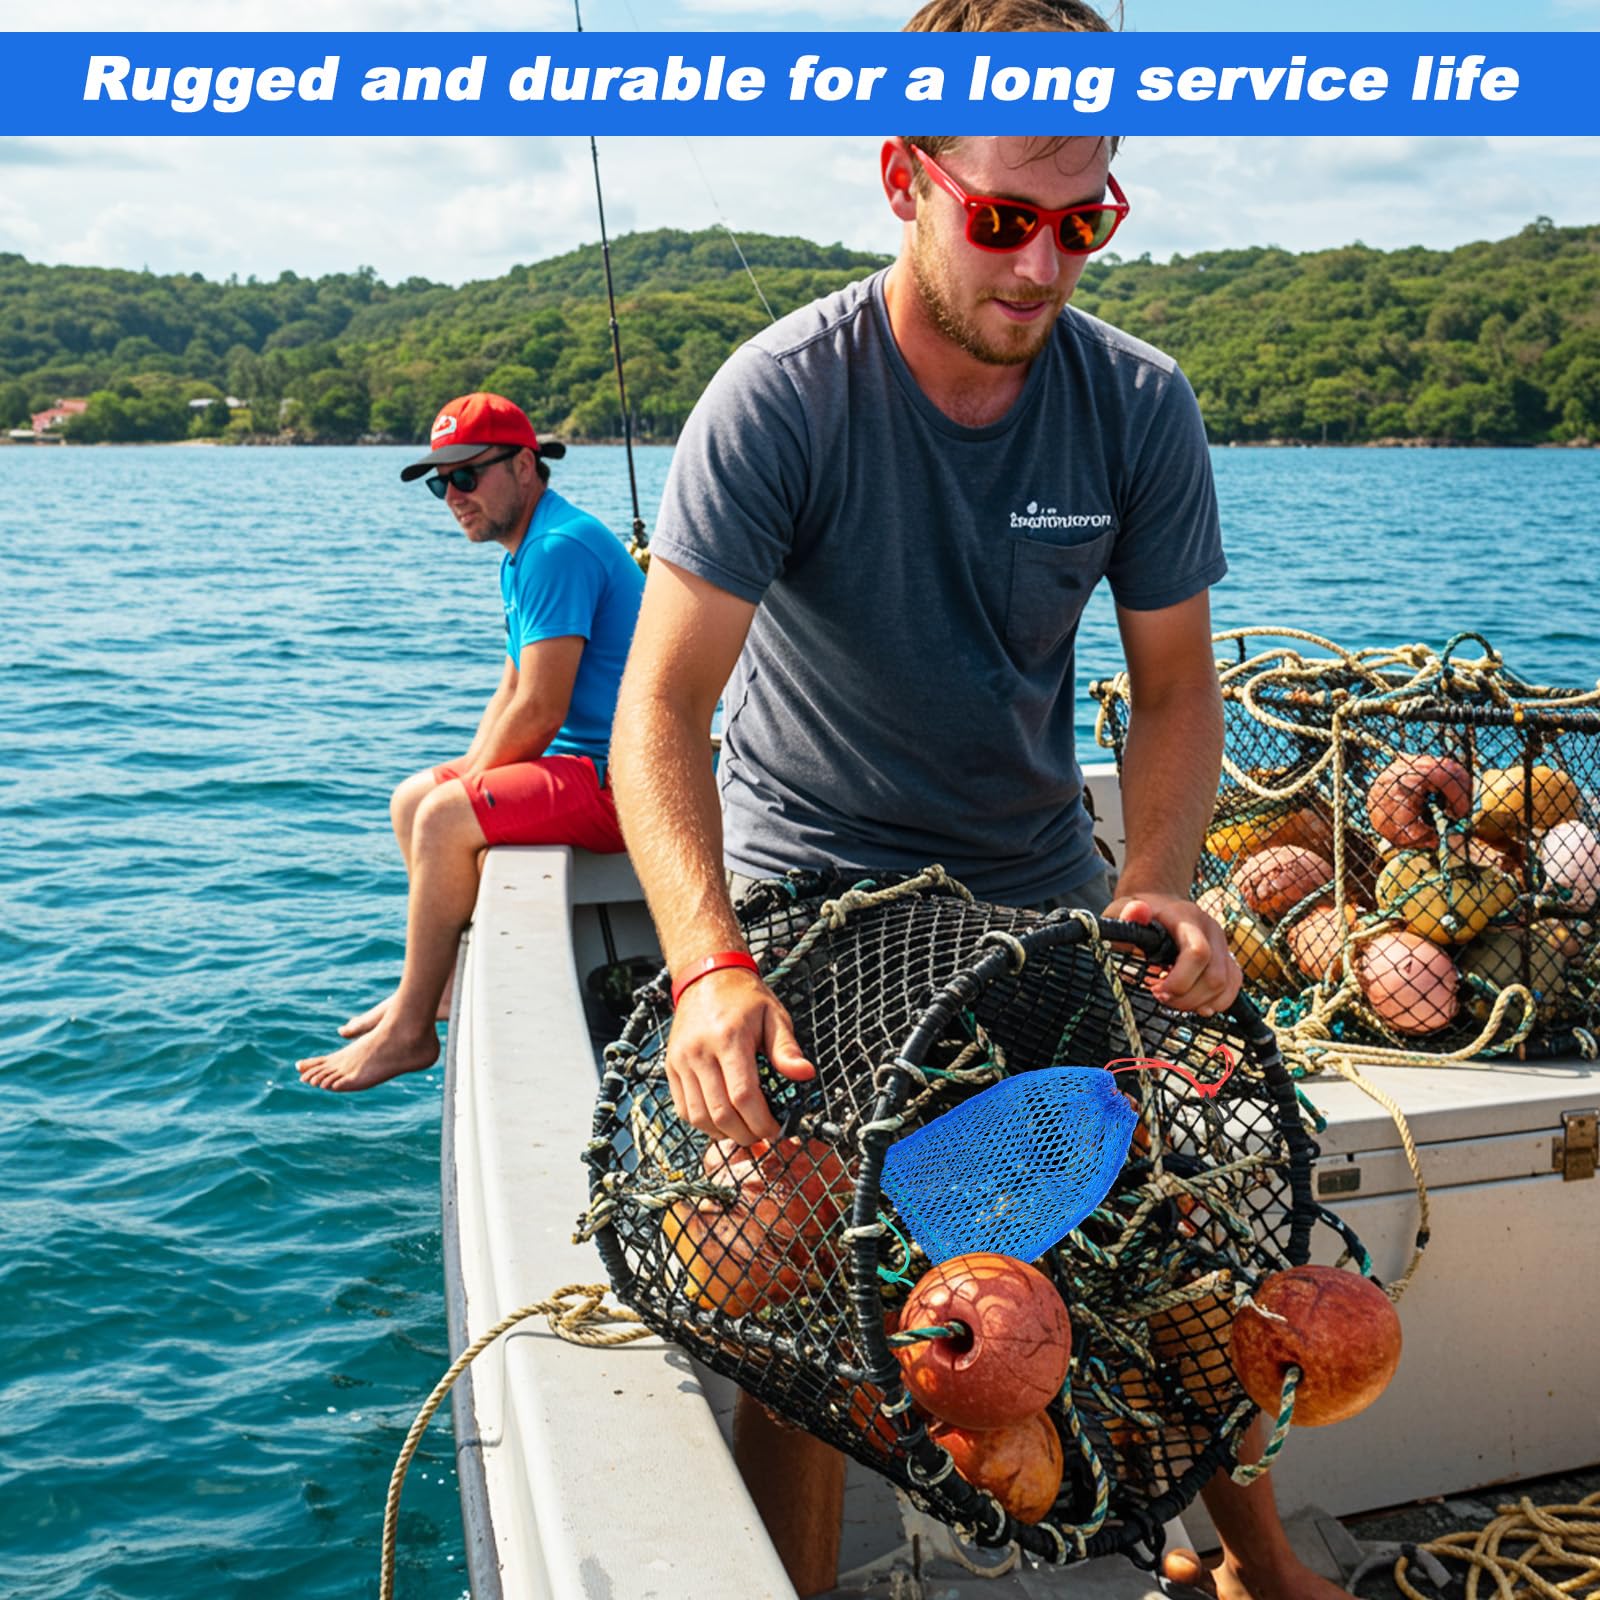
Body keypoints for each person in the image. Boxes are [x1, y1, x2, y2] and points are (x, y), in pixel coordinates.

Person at [609, 4, 1354, 1596]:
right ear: (904, 174)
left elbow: (1172, 691)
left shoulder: (1137, 405)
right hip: (821, 888)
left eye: (1087, 222)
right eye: (1005, 218)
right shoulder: (781, 398)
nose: (1044, 266)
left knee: (1164, 1224)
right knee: (805, 1263)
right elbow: (660, 711)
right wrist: (708, 966)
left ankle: (1258, 1567)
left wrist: (1161, 879)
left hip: (1033, 888)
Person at [298, 392, 643, 1093]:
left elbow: (542, 711)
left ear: (524, 465)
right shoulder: (523, 552)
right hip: (578, 763)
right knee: (412, 800)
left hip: (626, 781)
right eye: (439, 483)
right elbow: (511, 692)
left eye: (466, 476)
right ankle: (443, 985)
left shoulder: (555, 548)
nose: (453, 497)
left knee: (443, 816)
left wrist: (465, 794)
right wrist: (464, 775)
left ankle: (412, 1029)